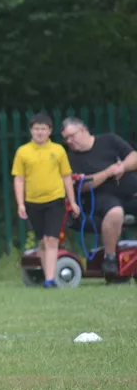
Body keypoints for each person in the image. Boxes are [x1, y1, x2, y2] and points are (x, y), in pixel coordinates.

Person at [61, 117, 137, 274]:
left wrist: (122, 167)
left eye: (71, 136)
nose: (69, 141)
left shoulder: (109, 140)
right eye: (66, 138)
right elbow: (83, 186)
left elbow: (134, 157)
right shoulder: (70, 158)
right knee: (115, 212)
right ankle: (110, 259)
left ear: (83, 130)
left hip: (129, 194)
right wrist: (109, 172)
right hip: (98, 199)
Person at [11, 114, 79, 287]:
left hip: (55, 200)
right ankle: (46, 274)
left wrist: (72, 201)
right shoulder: (23, 152)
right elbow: (19, 179)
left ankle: (50, 279)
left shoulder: (58, 150)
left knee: (52, 240)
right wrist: (20, 203)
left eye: (43, 129)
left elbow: (66, 177)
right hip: (33, 201)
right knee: (41, 241)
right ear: (31, 131)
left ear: (49, 131)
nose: (39, 132)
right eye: (36, 129)